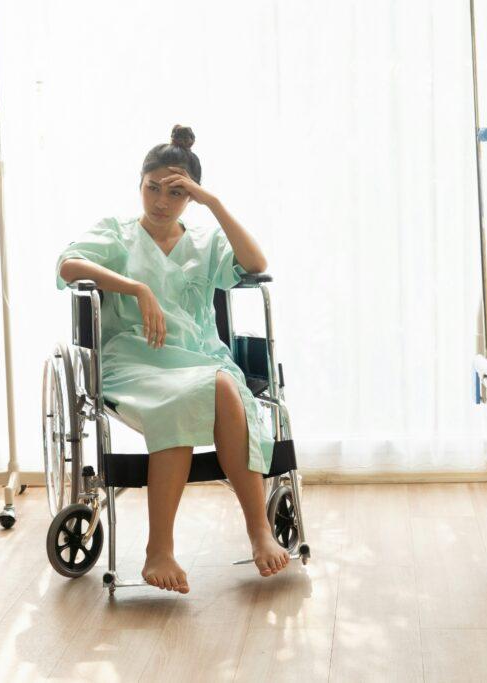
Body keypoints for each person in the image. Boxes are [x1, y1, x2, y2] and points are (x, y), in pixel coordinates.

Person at [56, 125, 289, 593]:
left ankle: (258, 530)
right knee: (190, 395)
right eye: (152, 187)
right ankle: (158, 549)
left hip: (200, 358)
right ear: (139, 184)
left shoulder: (206, 241)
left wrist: (213, 202)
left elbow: (256, 263)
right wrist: (135, 287)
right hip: (133, 361)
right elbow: (68, 265)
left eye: (176, 191)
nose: (161, 200)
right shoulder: (117, 235)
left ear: (190, 196)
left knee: (224, 385)